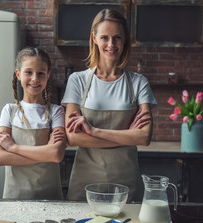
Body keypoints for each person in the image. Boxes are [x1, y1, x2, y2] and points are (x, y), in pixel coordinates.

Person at [61, 9, 157, 202]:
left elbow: (144, 137)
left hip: (126, 182)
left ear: (125, 40)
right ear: (94, 38)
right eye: (105, 37)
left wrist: (93, 131)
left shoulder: (139, 83)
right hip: (85, 182)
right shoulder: (77, 81)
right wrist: (128, 136)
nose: (111, 44)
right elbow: (73, 137)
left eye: (117, 37)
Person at [0, 47, 67, 200]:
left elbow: (57, 154)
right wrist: (46, 153)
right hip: (15, 195)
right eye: (28, 72)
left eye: (41, 73)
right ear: (18, 74)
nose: (35, 79)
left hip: (50, 195)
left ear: (48, 76)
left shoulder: (57, 112)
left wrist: (13, 148)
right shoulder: (9, 111)